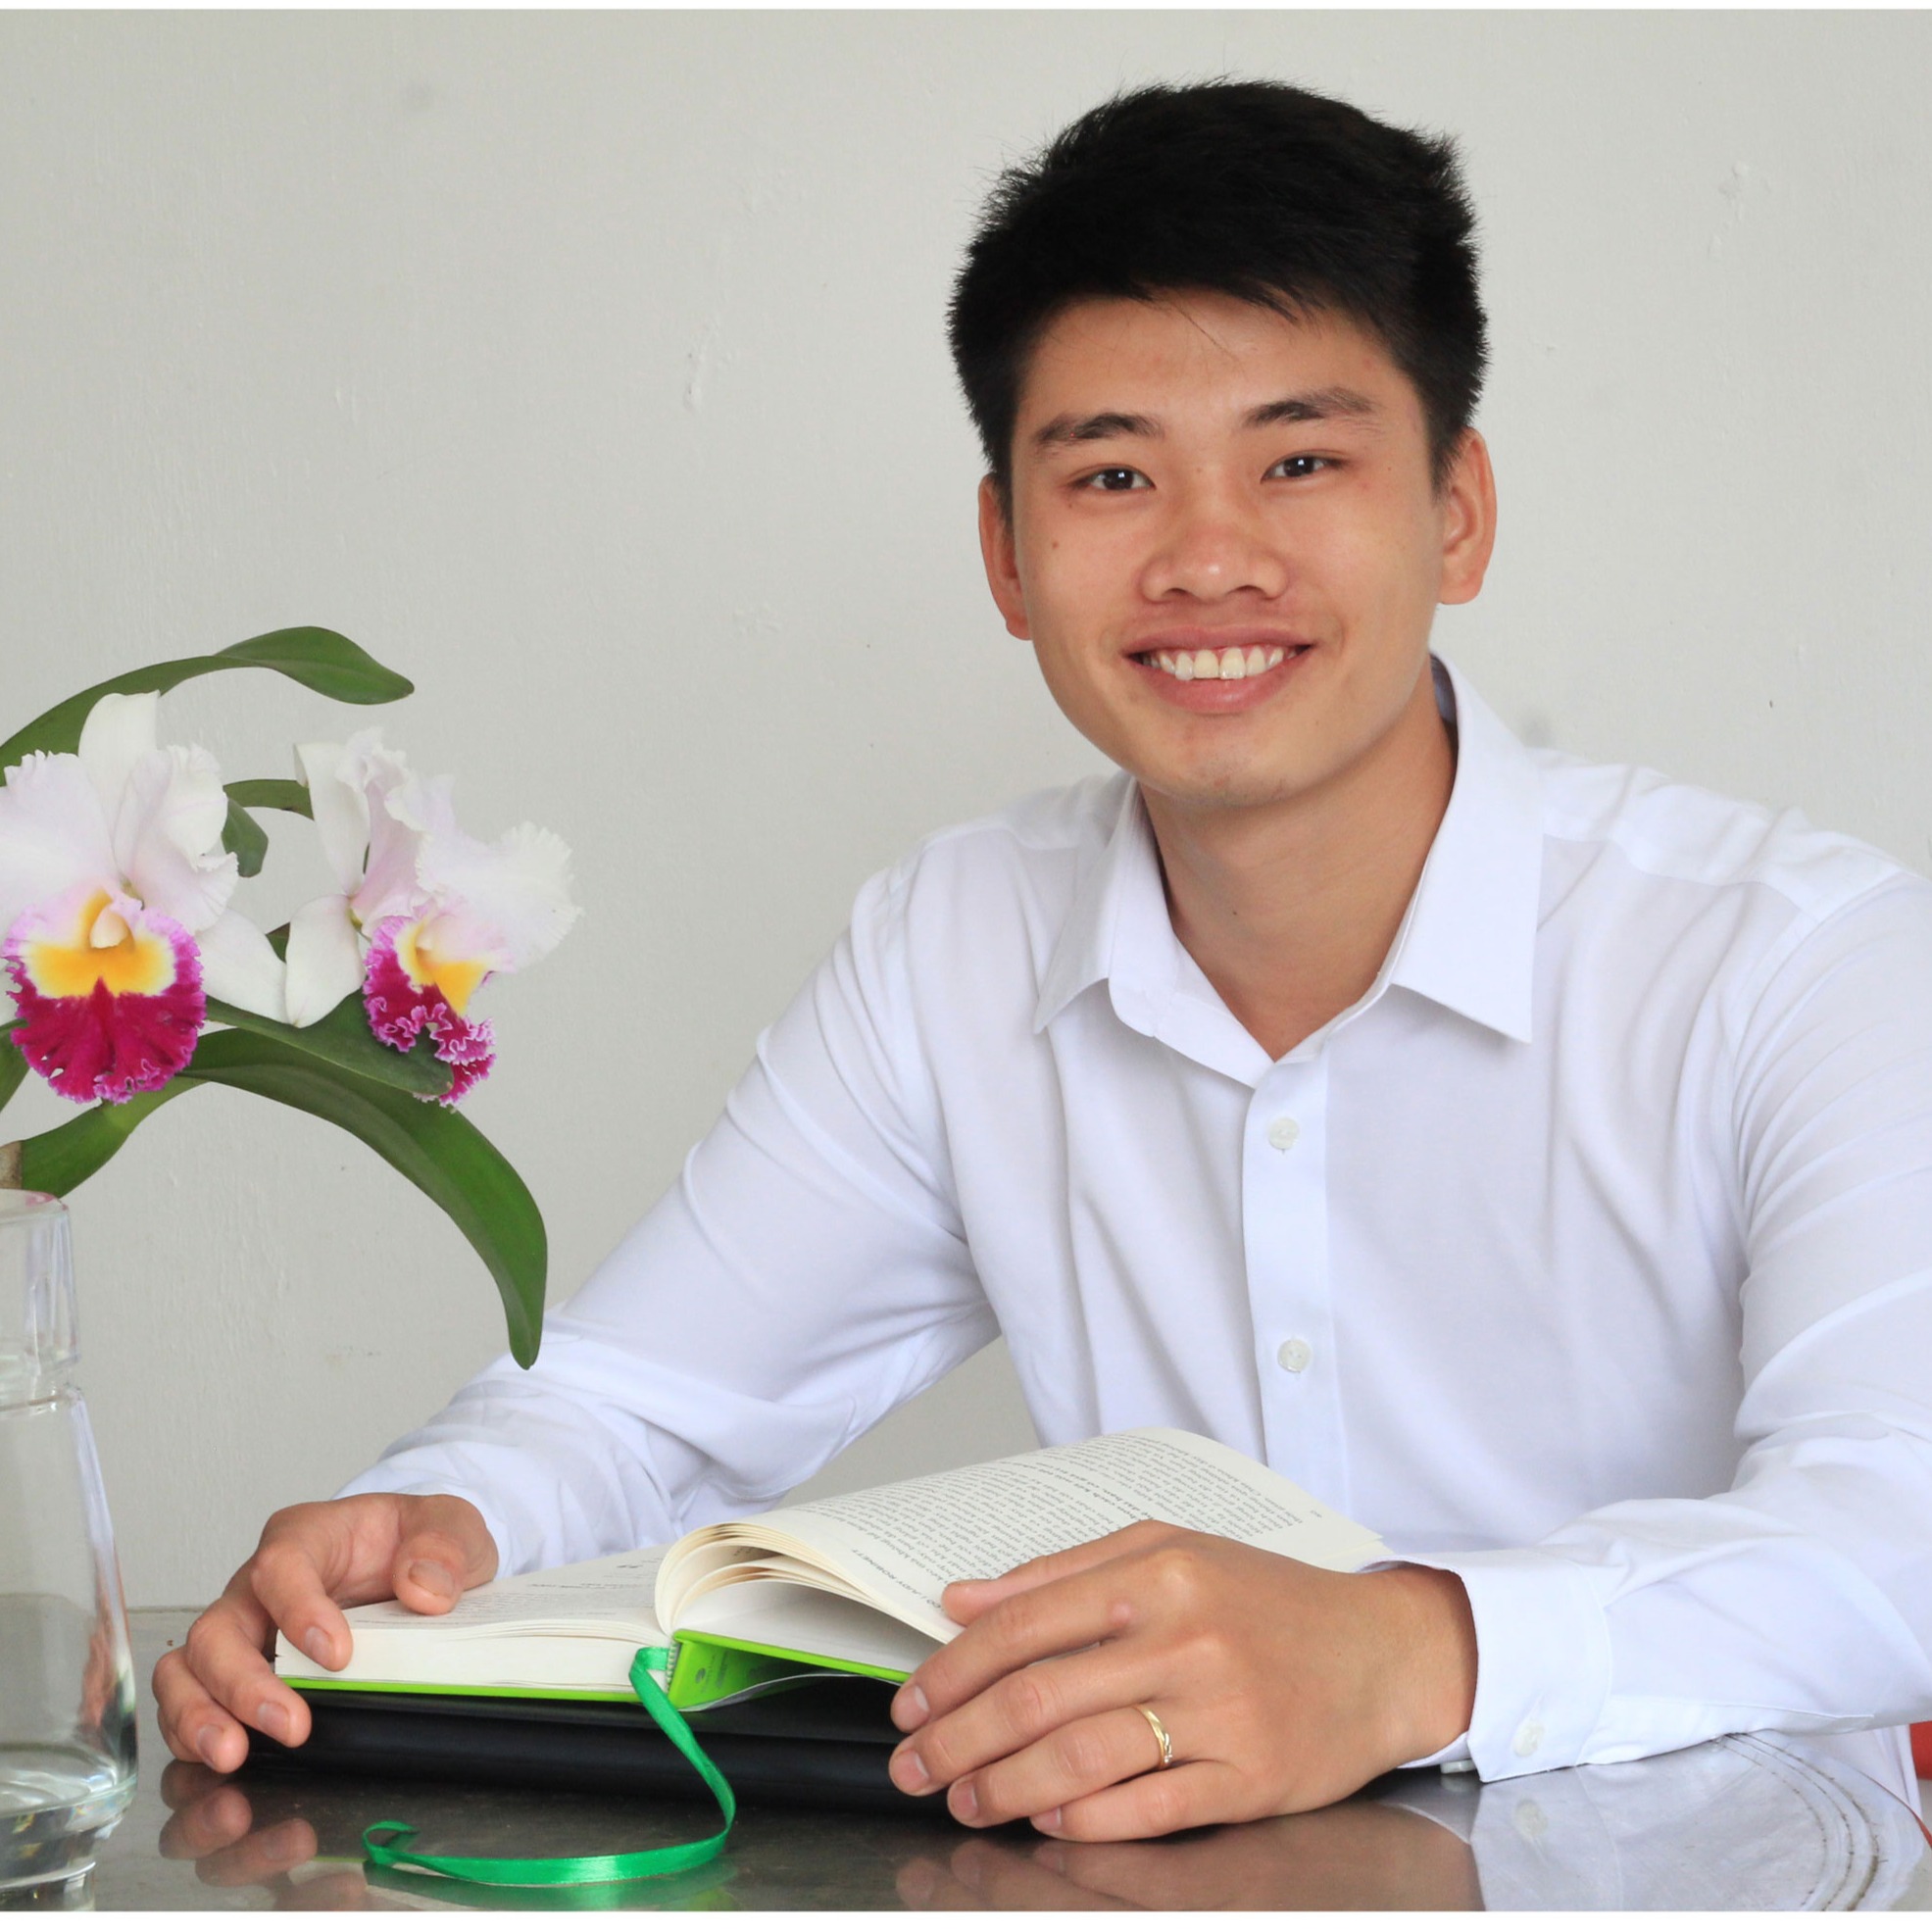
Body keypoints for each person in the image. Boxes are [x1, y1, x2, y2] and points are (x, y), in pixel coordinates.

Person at [156, 78, 1932, 1839]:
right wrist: (429, 1526)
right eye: (1114, 476)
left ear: (1456, 509)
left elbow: (1897, 1523)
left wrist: (1411, 1652)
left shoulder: (1795, 961)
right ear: (1007, 552)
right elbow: (643, 1406)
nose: (1210, 558)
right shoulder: (955, 944)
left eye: (1301, 460)